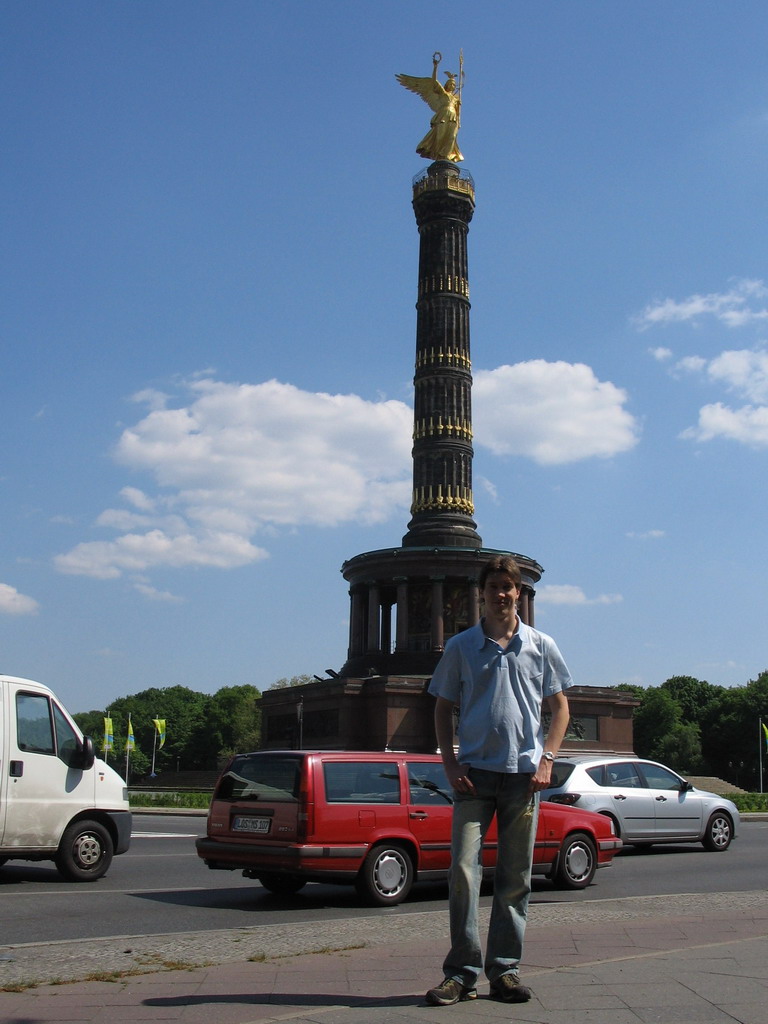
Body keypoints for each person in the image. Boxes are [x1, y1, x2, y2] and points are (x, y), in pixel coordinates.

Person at [425, 554, 572, 1006]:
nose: (502, 594)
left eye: (510, 587)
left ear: (518, 593)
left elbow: (561, 708)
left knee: (515, 878)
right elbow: (441, 706)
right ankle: (462, 973)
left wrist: (547, 759)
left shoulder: (541, 645)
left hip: (523, 778)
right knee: (463, 875)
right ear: (482, 593)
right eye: (494, 587)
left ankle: (505, 971)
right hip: (474, 776)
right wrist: (449, 765)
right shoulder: (462, 646)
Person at [396, 53, 464, 162]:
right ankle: (439, 155)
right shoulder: (442, 93)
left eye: (454, 85)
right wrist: (435, 67)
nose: (452, 86)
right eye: (450, 84)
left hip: (453, 117)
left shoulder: (456, 98)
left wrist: (459, 121)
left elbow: (458, 112)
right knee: (440, 136)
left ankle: (447, 156)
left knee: (451, 137)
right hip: (443, 115)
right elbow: (433, 82)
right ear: (447, 85)